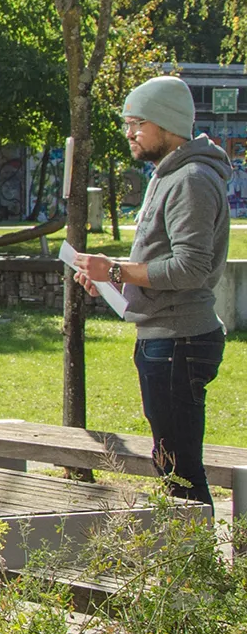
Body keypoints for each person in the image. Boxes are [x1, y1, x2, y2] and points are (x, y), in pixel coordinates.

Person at [71, 75, 231, 506]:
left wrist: (117, 269)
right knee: (169, 465)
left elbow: (190, 267)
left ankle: (197, 567)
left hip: (180, 340)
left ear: (165, 123)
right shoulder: (169, 175)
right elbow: (160, 262)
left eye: (136, 123)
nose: (129, 133)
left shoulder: (191, 179)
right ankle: (189, 561)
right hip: (163, 338)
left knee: (179, 471)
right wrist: (109, 279)